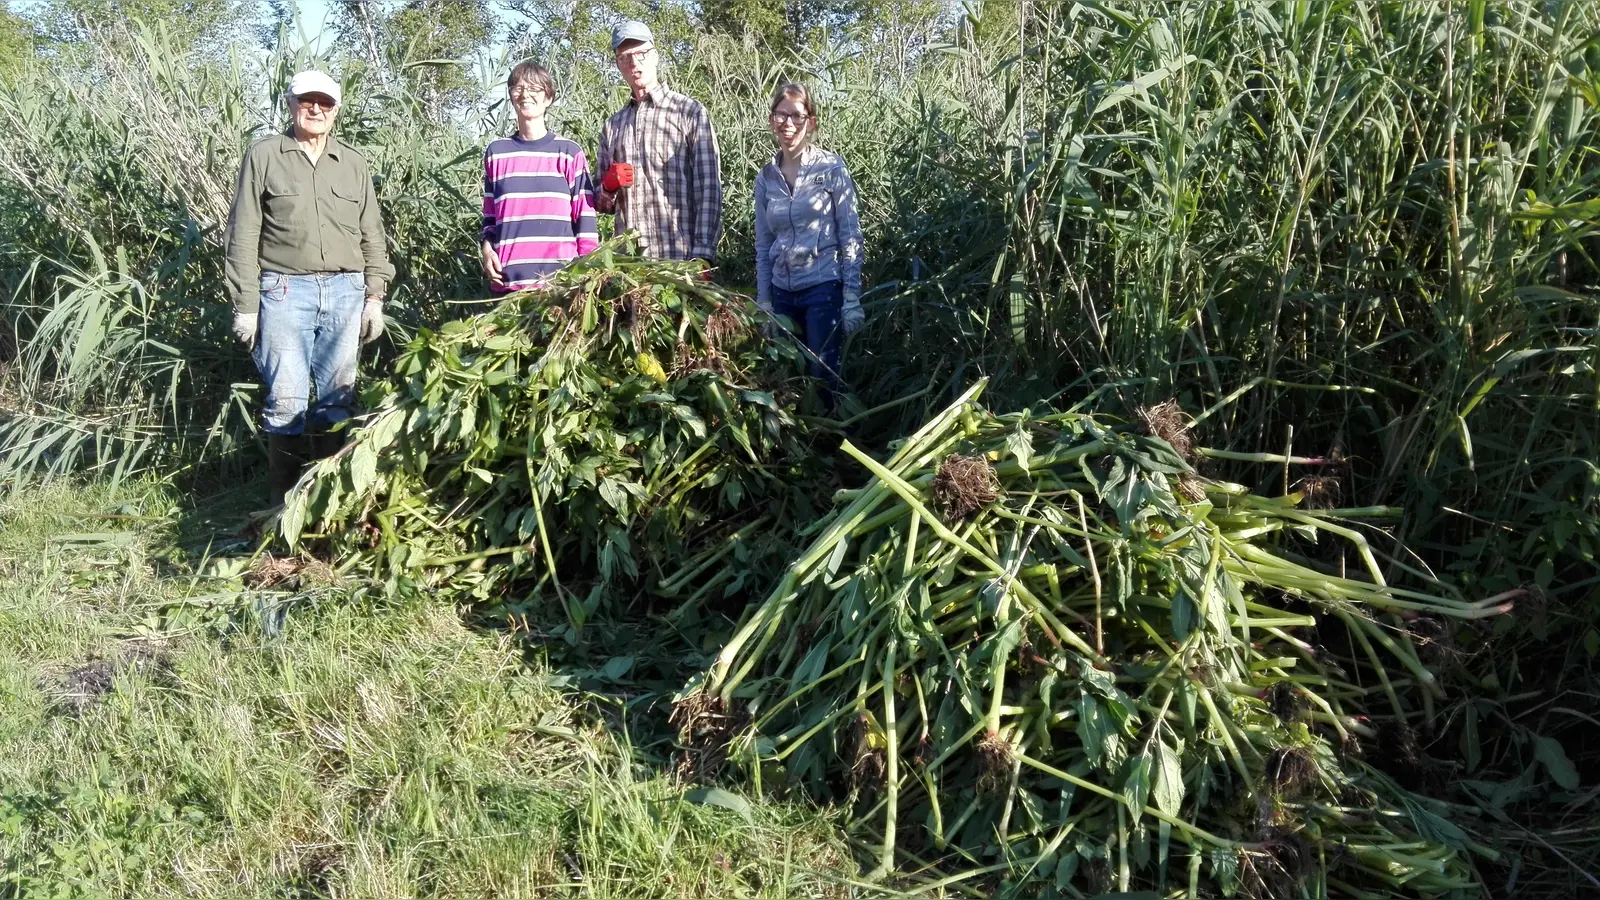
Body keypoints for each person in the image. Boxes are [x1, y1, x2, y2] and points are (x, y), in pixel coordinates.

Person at [224, 70, 394, 500]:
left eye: (325, 103)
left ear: (336, 110)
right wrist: (246, 305)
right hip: (284, 291)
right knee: (287, 399)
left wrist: (374, 297)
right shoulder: (264, 155)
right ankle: (282, 505)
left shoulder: (352, 163)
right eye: (306, 101)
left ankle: (324, 502)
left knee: (337, 400)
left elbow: (372, 234)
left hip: (346, 292)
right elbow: (243, 232)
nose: (315, 109)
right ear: (290, 104)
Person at [754, 82, 864, 392]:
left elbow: (850, 234)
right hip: (782, 292)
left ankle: (835, 423)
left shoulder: (831, 168)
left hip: (822, 287)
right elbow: (763, 244)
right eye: (781, 115)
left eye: (796, 116)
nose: (787, 123)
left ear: (810, 122)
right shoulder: (766, 177)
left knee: (823, 373)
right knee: (790, 379)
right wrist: (764, 300)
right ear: (771, 120)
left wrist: (851, 295)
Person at [595, 20, 723, 267]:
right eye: (625, 57)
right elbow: (602, 204)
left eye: (641, 53)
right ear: (618, 65)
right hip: (629, 266)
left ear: (655, 56)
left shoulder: (689, 112)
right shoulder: (613, 126)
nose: (634, 63)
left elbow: (708, 188)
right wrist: (608, 188)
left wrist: (703, 255)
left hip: (680, 260)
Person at [481, 60, 598, 292]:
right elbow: (490, 218)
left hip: (561, 286)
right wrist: (486, 249)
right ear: (511, 96)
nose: (525, 94)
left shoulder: (569, 152)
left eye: (534, 89)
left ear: (548, 98)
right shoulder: (497, 153)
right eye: (518, 88)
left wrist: (587, 277)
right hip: (509, 283)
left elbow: (586, 221)